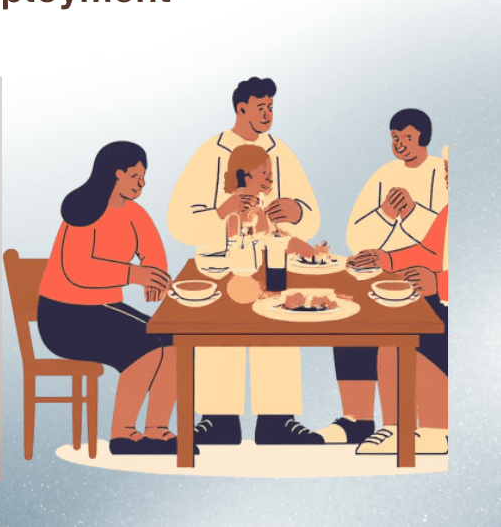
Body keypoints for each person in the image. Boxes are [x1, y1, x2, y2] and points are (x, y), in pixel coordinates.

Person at [167, 77, 324, 445]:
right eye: (261, 108)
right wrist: (223, 217)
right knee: (221, 333)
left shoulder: (281, 151)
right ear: (241, 109)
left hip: (272, 262)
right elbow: (178, 221)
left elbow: (311, 217)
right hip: (220, 265)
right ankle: (219, 421)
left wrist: (296, 211)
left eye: (271, 107)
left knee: (278, 328)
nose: (268, 115)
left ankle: (276, 421)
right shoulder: (211, 151)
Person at [37, 142, 181, 455]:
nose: (141, 184)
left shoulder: (134, 213)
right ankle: (124, 435)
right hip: (65, 316)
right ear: (116, 175)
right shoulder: (83, 210)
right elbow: (78, 270)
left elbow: (153, 250)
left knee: (175, 342)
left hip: (103, 310)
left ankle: (157, 430)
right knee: (144, 348)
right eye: (135, 176)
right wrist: (134, 275)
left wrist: (154, 274)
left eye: (144, 177)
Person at [320, 109, 448, 445]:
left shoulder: (442, 174)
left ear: (424, 137)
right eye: (395, 137)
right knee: (347, 313)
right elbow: (356, 236)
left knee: (391, 330)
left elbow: (442, 244)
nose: (400, 144)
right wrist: (386, 215)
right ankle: (358, 419)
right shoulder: (384, 175)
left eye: (407, 137)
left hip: (428, 285)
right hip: (387, 273)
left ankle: (413, 427)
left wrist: (412, 212)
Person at [355, 146, 448, 455]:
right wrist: (386, 259)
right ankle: (395, 426)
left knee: (405, 326)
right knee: (384, 315)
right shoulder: (450, 212)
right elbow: (429, 251)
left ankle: (435, 431)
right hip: (439, 296)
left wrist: (438, 282)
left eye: (451, 169)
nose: (446, 174)